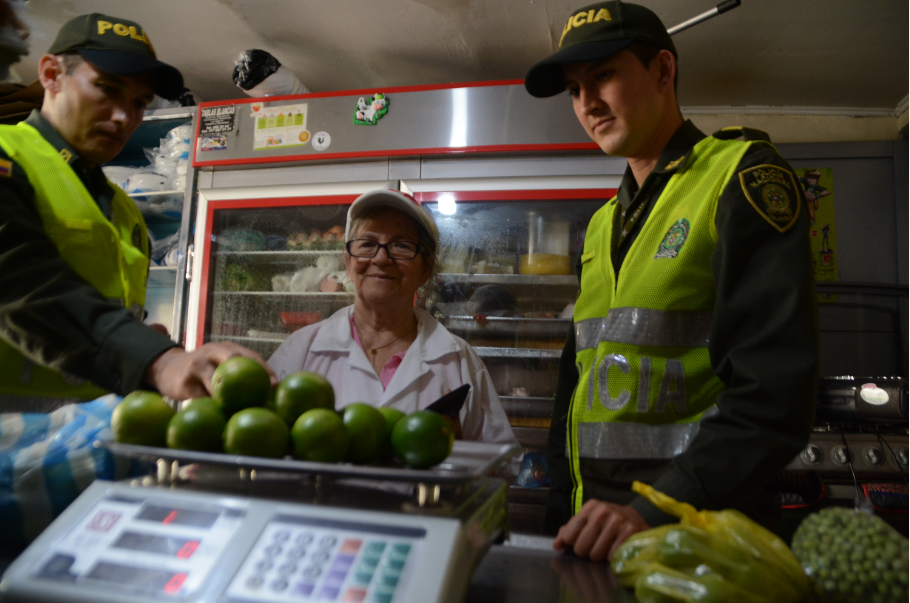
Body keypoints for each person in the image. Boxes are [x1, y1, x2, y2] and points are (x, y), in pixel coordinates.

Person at [524, 1, 818, 562]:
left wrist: (652, 511)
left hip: (698, 543)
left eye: (603, 76)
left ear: (663, 70)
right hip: (594, 538)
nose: (586, 103)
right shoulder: (604, 222)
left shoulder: (738, 177)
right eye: (574, 89)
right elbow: (577, 383)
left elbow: (773, 399)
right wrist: (560, 505)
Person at [0, 13, 275, 406]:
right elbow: (21, 279)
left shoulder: (123, 208)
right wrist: (159, 361)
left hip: (87, 431)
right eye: (107, 90)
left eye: (139, 103)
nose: (124, 117)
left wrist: (144, 337)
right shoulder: (7, 154)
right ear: (50, 74)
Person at [268, 189, 518, 449]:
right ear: (348, 263)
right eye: (367, 244)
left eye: (401, 246)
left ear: (426, 269)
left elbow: (503, 462)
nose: (381, 258)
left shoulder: (458, 361)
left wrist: (458, 451)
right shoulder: (299, 351)